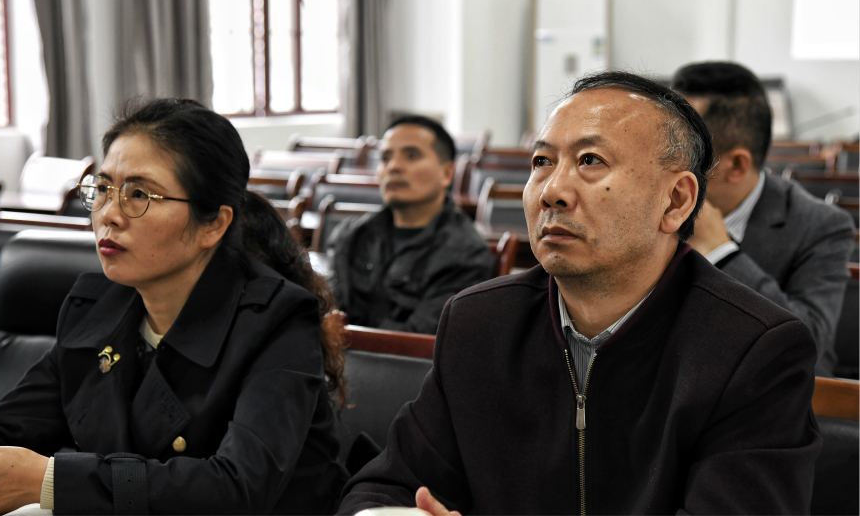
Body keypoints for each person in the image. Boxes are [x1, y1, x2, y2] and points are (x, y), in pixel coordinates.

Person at [338, 72, 821, 515]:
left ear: (676, 201)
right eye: (542, 162)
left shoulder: (754, 351)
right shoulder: (480, 321)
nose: (552, 191)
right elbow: (388, 485)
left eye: (590, 161)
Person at [0, 99, 348, 514]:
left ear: (214, 224)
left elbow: (237, 489)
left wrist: (53, 481)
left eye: (139, 194)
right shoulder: (96, 307)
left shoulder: (277, 322)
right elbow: (5, 428)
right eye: (103, 189)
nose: (109, 215)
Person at [672, 61, 855, 376]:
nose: (661, 164)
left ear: (736, 166)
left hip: (759, 389)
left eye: (679, 152)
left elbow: (808, 343)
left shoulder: (821, 226)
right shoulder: (650, 205)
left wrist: (722, 253)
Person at [326, 116, 494, 334]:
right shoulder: (351, 235)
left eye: (412, 155)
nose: (394, 166)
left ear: (446, 173)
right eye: (385, 158)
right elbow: (328, 311)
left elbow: (420, 340)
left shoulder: (466, 253)